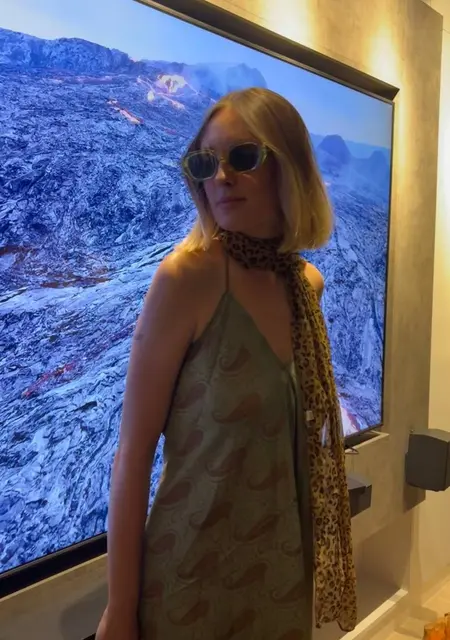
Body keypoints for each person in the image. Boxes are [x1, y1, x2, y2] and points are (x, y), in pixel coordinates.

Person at [96, 87, 357, 640]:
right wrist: (119, 611)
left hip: (282, 582)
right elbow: (132, 456)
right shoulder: (186, 279)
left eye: (243, 157)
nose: (220, 176)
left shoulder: (306, 287)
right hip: (188, 588)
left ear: (290, 168)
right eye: (205, 162)